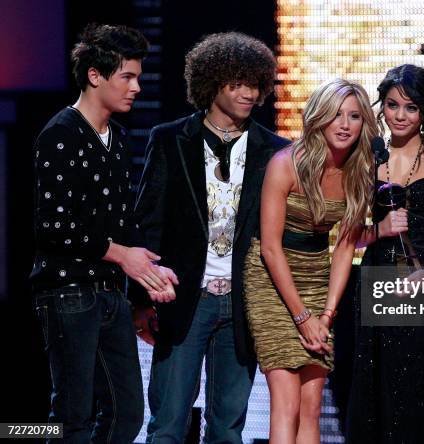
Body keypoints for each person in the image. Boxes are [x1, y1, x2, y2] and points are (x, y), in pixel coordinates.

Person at [130, 32, 290, 443]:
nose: (248, 93)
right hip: (184, 298)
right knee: (167, 424)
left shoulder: (276, 150)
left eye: (255, 83)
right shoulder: (169, 140)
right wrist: (142, 298)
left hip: (243, 303)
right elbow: (149, 222)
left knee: (227, 428)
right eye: (237, 82)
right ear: (212, 82)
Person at [30, 24, 161, 442]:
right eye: (127, 76)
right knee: (71, 416)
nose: (136, 87)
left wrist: (140, 296)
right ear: (95, 76)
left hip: (111, 295)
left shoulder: (117, 140)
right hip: (68, 293)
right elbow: (52, 226)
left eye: (139, 77)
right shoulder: (60, 135)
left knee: (127, 414)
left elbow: (123, 221)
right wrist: (122, 255)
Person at [243, 78, 376, 443]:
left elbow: (346, 247)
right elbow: (270, 247)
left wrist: (326, 316)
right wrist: (302, 318)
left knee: (311, 406)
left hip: (316, 275)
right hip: (271, 278)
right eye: (336, 115)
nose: (345, 124)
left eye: (354, 116)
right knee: (286, 404)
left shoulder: (359, 174)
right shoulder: (285, 164)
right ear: (319, 118)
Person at [346, 64, 424, 443]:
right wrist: (379, 230)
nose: (399, 116)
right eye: (393, 105)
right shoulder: (367, 158)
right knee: (375, 385)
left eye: (410, 107)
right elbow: (349, 235)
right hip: (377, 280)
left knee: (422, 386)